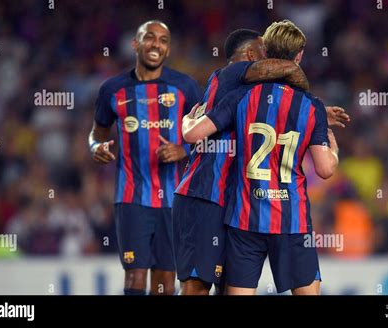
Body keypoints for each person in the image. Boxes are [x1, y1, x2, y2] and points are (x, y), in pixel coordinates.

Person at [182, 20, 342, 295]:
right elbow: (325, 169)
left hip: (245, 217)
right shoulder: (311, 106)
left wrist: (187, 121)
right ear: (300, 56)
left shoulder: (241, 96)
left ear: (265, 52)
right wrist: (334, 149)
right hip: (291, 220)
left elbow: (195, 135)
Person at [88, 20, 202, 295]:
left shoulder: (185, 87)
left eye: (163, 40)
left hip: (173, 202)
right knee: (134, 277)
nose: (156, 44)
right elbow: (97, 134)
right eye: (149, 38)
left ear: (168, 49)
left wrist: (182, 151)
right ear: (135, 44)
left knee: (164, 282)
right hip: (131, 199)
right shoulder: (112, 89)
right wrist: (96, 148)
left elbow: (207, 140)